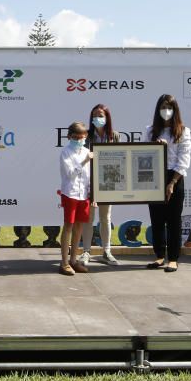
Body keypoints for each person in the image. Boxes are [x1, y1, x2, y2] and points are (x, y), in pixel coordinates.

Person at [145, 94, 191, 273]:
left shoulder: (183, 131)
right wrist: (155, 147)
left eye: (169, 107)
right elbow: (143, 156)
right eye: (163, 107)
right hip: (154, 177)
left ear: (175, 110)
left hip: (175, 177)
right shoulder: (150, 131)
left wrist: (172, 182)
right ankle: (158, 256)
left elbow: (184, 160)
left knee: (173, 220)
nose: (166, 111)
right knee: (156, 219)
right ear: (158, 110)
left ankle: (173, 258)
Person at [80, 103, 120, 266]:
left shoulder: (114, 136)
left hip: (107, 182)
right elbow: (81, 159)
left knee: (105, 218)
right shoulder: (86, 135)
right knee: (88, 218)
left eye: (101, 115)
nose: (98, 118)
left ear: (107, 117)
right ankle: (86, 252)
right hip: (89, 182)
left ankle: (106, 251)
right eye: (95, 115)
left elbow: (119, 159)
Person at [58, 121, 92, 276]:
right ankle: (64, 263)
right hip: (70, 194)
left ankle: (73, 260)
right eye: (76, 137)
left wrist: (93, 194)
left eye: (82, 136)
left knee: (79, 227)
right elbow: (70, 174)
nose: (79, 139)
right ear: (69, 136)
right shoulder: (66, 152)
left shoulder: (87, 151)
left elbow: (89, 176)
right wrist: (84, 161)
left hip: (84, 195)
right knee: (68, 227)